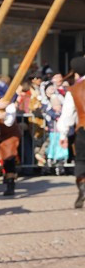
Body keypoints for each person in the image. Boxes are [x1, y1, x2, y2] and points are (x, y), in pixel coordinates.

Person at [54, 56, 85, 208]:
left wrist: (63, 134)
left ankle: (83, 188)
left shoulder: (73, 90)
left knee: (81, 160)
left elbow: (67, 116)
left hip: (83, 129)